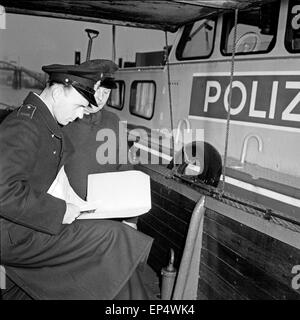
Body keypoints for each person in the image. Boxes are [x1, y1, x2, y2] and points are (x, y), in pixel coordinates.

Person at [0, 59, 153, 300]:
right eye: (80, 105)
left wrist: (76, 206)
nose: (82, 113)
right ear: (59, 92)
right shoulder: (25, 124)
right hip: (16, 238)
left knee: (113, 246)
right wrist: (60, 211)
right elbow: (2, 191)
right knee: (114, 238)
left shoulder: (43, 123)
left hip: (26, 229)